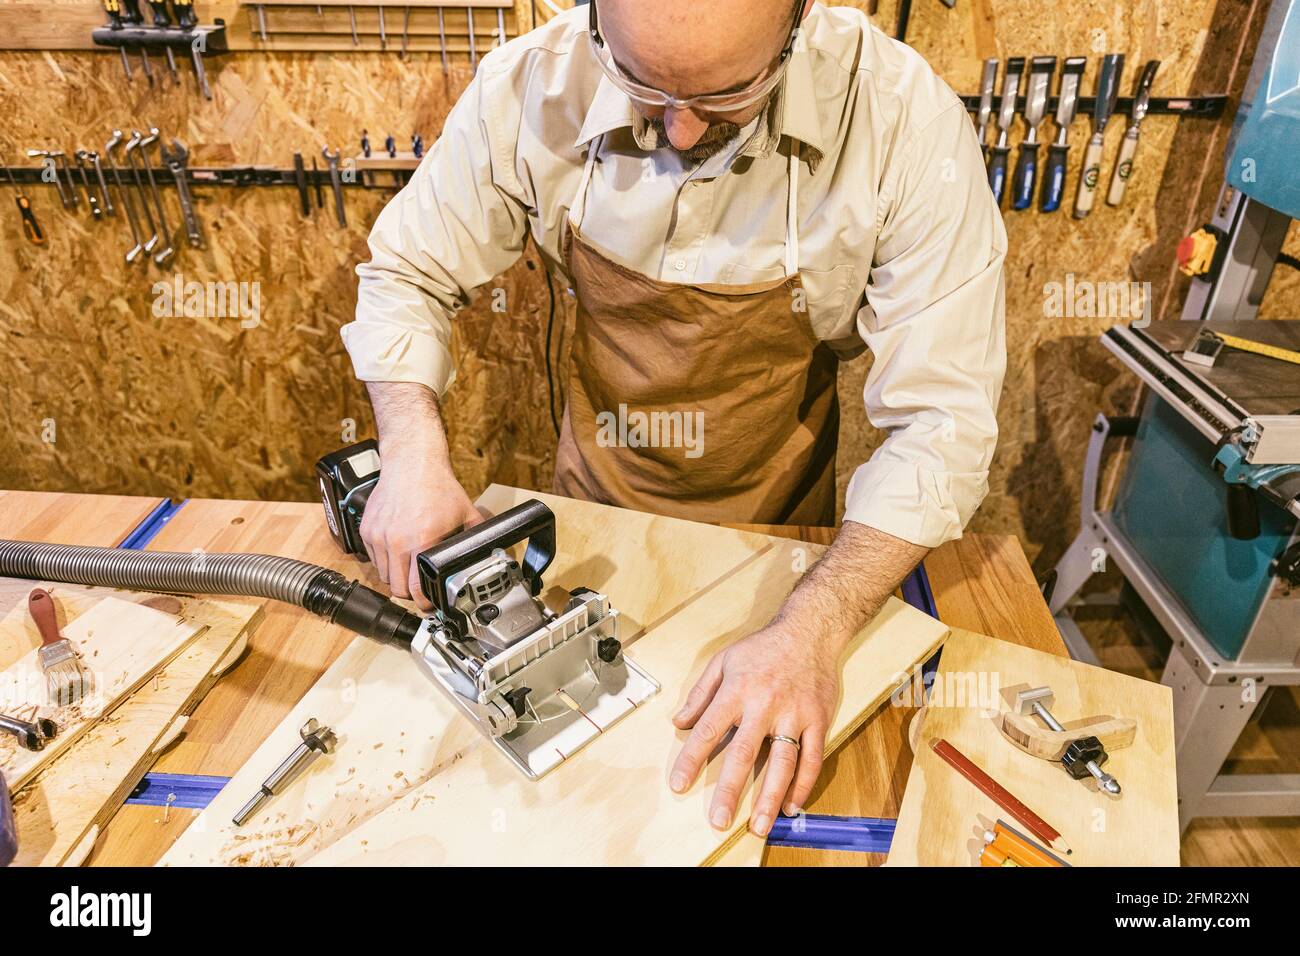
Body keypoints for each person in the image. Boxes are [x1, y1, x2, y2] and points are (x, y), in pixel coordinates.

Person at [340, 0, 1006, 838]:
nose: (683, 132)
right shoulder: (532, 86)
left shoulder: (899, 119)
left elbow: (942, 421)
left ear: (796, 23)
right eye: (640, 85)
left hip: (783, 552)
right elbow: (407, 271)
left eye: (729, 97)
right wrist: (408, 454)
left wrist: (816, 624)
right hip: (593, 524)